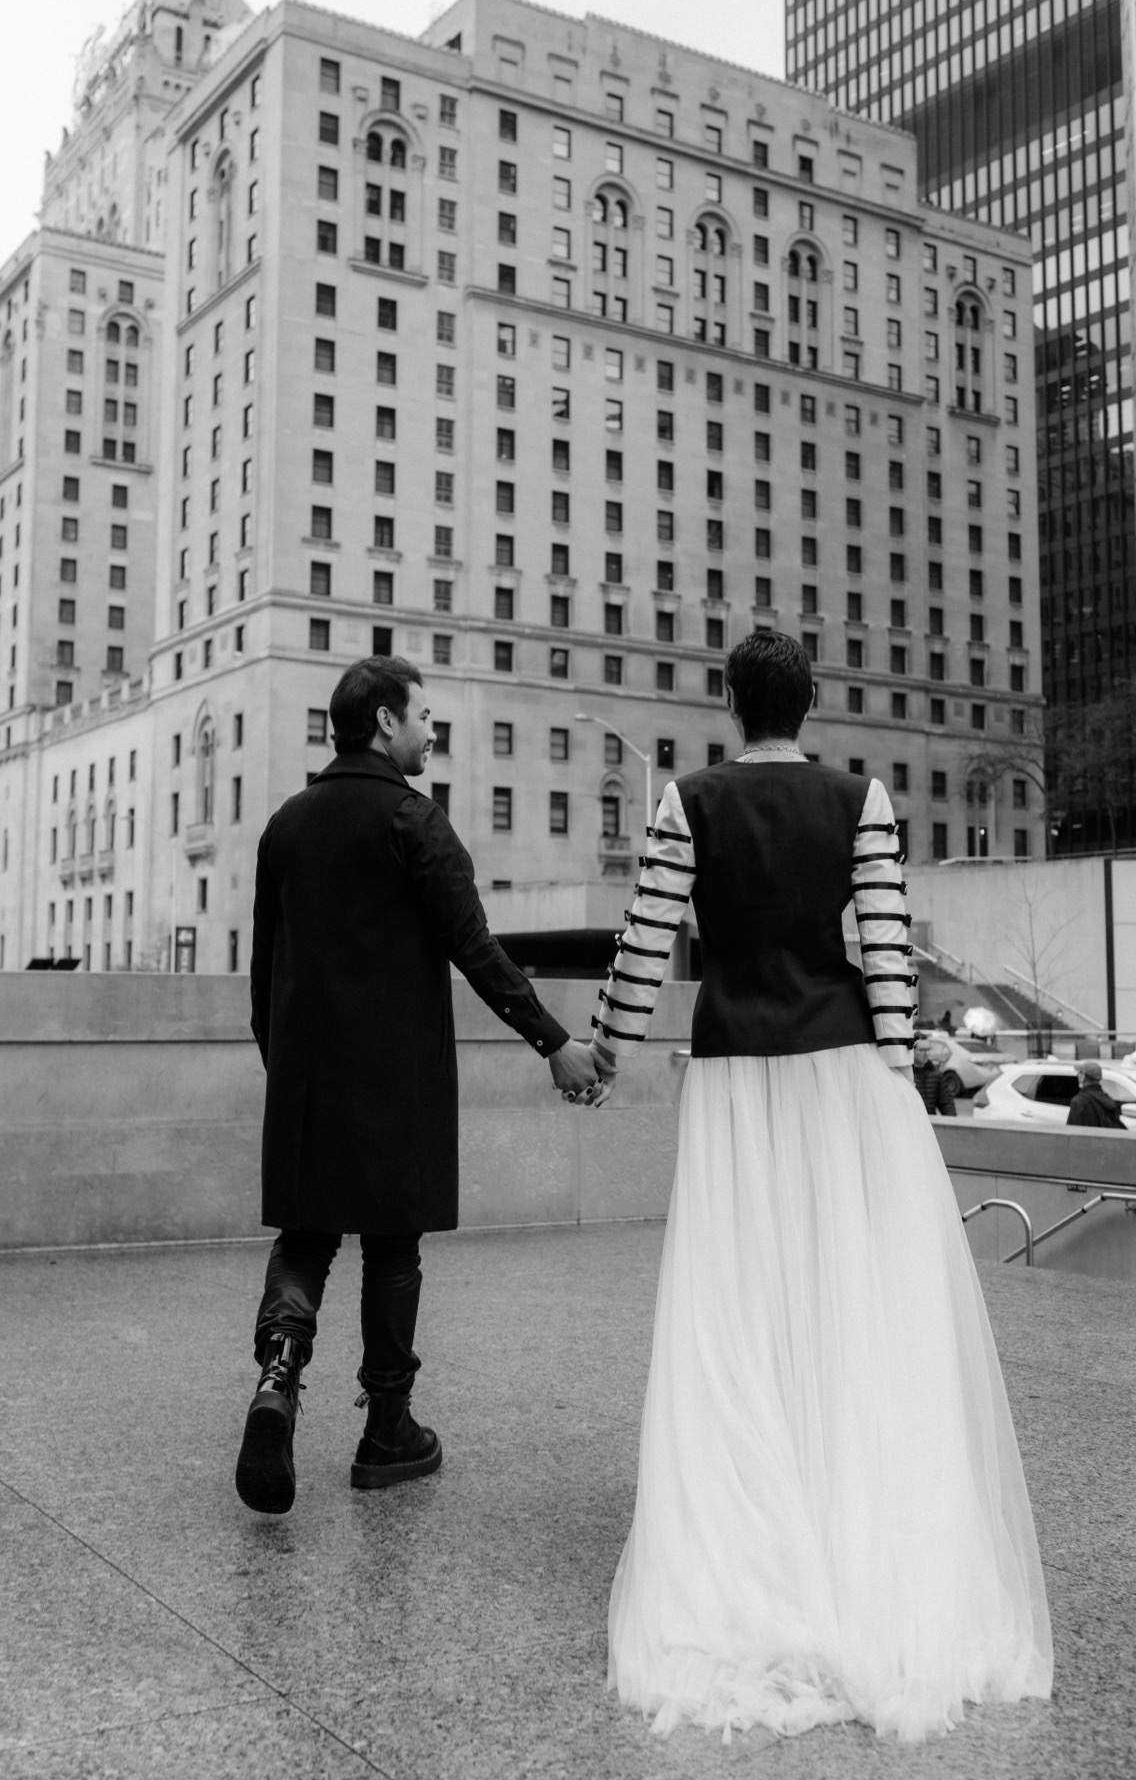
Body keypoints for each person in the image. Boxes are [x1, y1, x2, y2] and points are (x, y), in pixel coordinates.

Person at [584, 631, 1052, 1743]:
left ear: (728, 704)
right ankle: (857, 1527)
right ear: (808, 706)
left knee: (737, 1299)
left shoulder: (684, 803)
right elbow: (885, 953)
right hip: (843, 1069)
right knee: (851, 1302)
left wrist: (602, 1045)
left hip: (738, 1069)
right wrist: (895, 1068)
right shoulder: (863, 799)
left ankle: (752, 1535)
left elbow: (645, 947)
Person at [237, 656, 597, 1514]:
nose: (432, 731)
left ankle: (278, 1377)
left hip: (306, 1080)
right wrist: (553, 1042)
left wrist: (288, 1070)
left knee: (305, 1238)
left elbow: (261, 979)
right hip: (397, 1082)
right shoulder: (415, 821)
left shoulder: (285, 826)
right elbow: (476, 949)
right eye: (424, 716)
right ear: (386, 723)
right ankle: (386, 1430)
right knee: (393, 1248)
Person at [1066, 1060, 1126, 1129]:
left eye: (1080, 1072)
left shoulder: (1079, 1101)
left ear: (1083, 1077)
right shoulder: (1107, 1099)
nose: (1078, 1075)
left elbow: (1072, 1131)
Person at [912, 1034, 957, 1116]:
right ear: (912, 1051)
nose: (925, 1054)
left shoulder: (936, 1074)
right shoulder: (906, 1076)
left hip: (931, 1123)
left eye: (928, 1050)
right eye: (921, 1050)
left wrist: (951, 1124)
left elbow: (947, 1103)